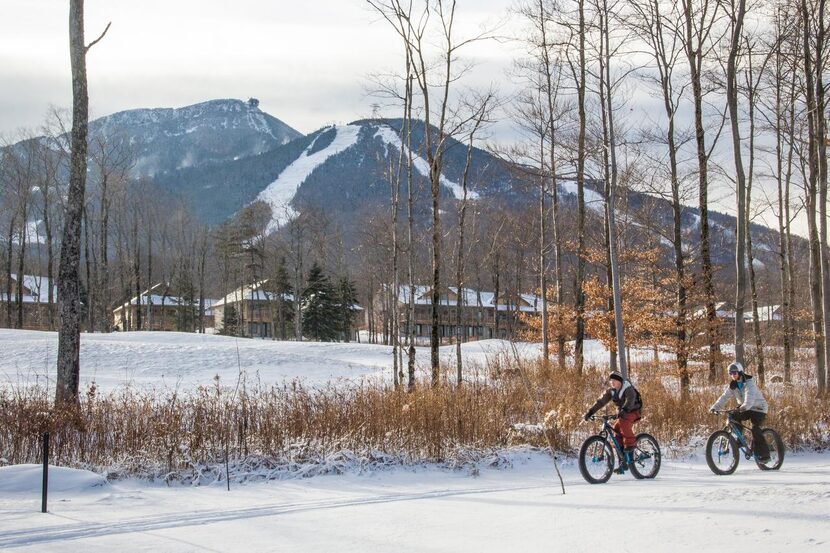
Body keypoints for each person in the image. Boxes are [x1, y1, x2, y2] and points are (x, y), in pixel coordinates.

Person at [709, 361, 770, 462]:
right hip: (745, 408)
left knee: (755, 429)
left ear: (740, 372)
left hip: (759, 408)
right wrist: (715, 407)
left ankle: (765, 455)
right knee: (733, 416)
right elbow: (724, 397)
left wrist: (743, 407)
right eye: (730, 374)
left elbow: (749, 397)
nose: (733, 375)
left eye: (734, 373)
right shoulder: (733, 385)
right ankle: (741, 440)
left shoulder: (749, 382)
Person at [583, 370, 642, 470]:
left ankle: (631, 444)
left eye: (614, 380)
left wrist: (624, 410)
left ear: (619, 381)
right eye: (611, 380)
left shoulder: (628, 388)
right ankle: (622, 462)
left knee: (623, 422)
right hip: (623, 413)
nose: (612, 382)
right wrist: (590, 412)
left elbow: (630, 400)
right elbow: (601, 402)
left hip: (633, 411)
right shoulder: (611, 391)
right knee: (616, 430)